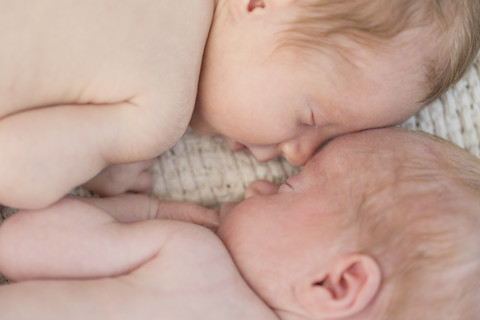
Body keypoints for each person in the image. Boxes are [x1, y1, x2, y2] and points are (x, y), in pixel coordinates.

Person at [0, 0, 478, 210]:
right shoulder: (158, 111)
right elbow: (11, 164)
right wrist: (110, 162)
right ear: (257, 4)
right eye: (310, 119)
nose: (299, 155)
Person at [0, 127, 478, 320]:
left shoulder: (193, 258)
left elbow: (17, 245)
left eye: (291, 187)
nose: (258, 186)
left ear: (336, 283)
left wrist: (149, 215)